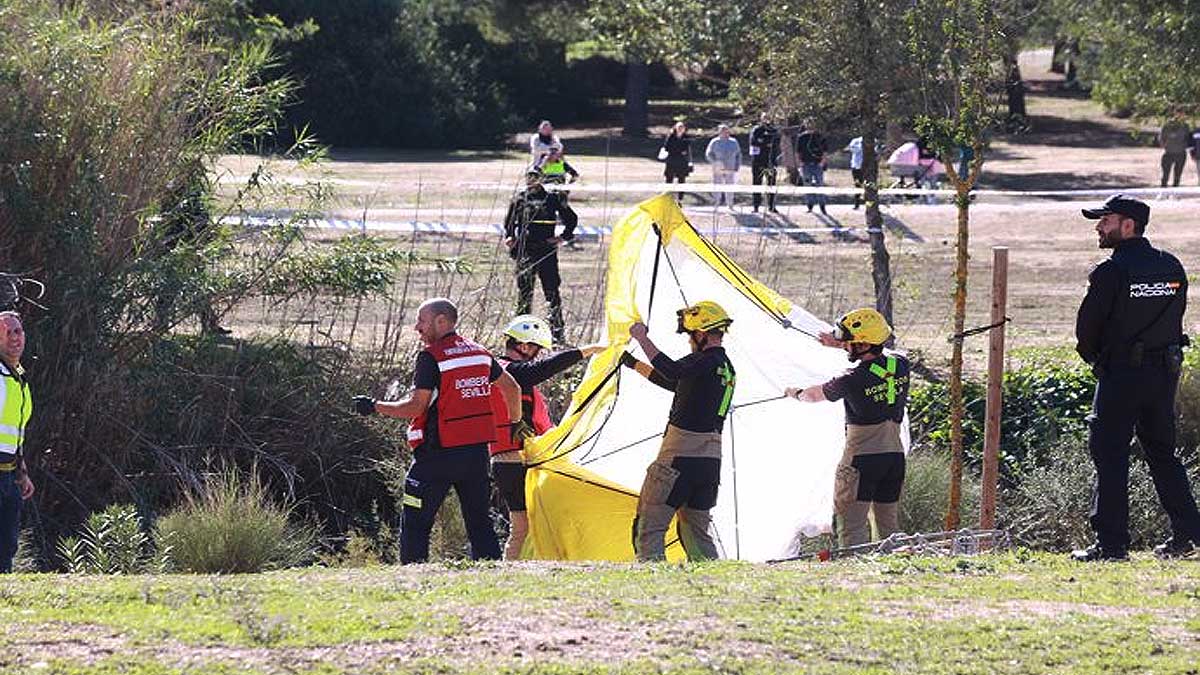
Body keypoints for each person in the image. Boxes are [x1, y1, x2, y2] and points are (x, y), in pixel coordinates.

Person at [1072, 195, 1200, 561]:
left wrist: (1099, 361)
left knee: (1110, 455)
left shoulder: (1110, 272)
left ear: (1128, 225)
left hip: (1122, 376)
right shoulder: (1171, 266)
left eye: (1106, 220)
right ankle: (1188, 535)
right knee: (1163, 454)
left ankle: (1111, 546)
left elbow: (1087, 331)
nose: (1099, 227)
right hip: (1164, 375)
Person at [353, 298, 523, 564]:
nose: (416, 327)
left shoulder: (431, 357)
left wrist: (375, 407)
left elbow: (416, 407)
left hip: (437, 455)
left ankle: (413, 576)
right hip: (476, 455)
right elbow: (512, 387)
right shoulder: (479, 353)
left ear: (441, 321)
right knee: (479, 521)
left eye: (422, 320)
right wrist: (514, 424)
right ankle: (491, 573)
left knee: (415, 520)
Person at [619, 301, 736, 561]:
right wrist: (634, 364)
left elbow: (672, 370)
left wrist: (641, 338)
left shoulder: (702, 361)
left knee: (648, 528)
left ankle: (653, 585)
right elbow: (675, 382)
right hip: (710, 464)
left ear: (701, 333)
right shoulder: (725, 367)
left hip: (678, 458)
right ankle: (714, 584)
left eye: (690, 336)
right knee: (697, 532)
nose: (689, 342)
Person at [785, 308, 909, 549]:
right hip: (894, 458)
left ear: (862, 344)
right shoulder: (901, 365)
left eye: (849, 341)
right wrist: (840, 344)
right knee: (888, 526)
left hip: (861, 461)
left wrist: (795, 393)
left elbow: (813, 396)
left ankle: (855, 574)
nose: (845, 344)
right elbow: (877, 362)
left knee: (851, 526)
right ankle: (893, 572)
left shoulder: (851, 379)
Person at [488, 315, 604, 559]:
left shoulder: (508, 374)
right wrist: (587, 350)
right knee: (525, 526)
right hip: (513, 461)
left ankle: (520, 568)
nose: (538, 355)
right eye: (537, 349)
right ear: (525, 347)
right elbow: (539, 370)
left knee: (523, 526)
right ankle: (519, 569)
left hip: (511, 461)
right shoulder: (508, 371)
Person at [504, 169, 578, 345]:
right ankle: (519, 336)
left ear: (541, 179)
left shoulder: (552, 198)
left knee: (552, 292)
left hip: (546, 251)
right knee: (524, 294)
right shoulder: (519, 199)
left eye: (535, 177)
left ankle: (557, 335)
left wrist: (563, 237)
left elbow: (571, 219)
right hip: (525, 252)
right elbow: (509, 223)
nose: (532, 180)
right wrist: (510, 238)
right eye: (529, 177)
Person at [0, 312, 35, 573]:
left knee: (7, 545)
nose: (15, 338)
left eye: (18, 331)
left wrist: (22, 473)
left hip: (10, 476)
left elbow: (17, 431)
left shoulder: (20, 376)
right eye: (7, 332)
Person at [748, 113, 781, 213]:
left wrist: (763, 142)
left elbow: (775, 143)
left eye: (769, 118)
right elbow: (754, 142)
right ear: (761, 119)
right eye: (765, 118)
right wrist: (766, 143)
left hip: (770, 162)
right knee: (757, 183)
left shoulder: (774, 131)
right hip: (758, 161)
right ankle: (756, 206)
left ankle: (771, 206)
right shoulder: (757, 130)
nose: (767, 120)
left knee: (771, 184)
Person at [705, 125, 741, 210]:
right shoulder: (714, 142)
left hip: (730, 166)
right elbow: (708, 154)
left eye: (726, 130)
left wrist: (737, 166)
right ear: (719, 132)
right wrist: (715, 162)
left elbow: (738, 155)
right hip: (718, 167)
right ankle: (716, 203)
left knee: (730, 185)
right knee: (717, 185)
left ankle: (730, 204)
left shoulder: (734, 142)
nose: (725, 132)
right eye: (723, 131)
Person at [796, 124, 828, 214]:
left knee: (820, 185)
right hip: (806, 165)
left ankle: (822, 207)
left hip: (817, 165)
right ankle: (809, 206)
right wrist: (800, 163)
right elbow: (798, 152)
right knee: (807, 185)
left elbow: (825, 151)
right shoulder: (802, 137)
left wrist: (822, 163)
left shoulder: (820, 137)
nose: (811, 126)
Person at [1158, 114, 1191, 188]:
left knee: (1177, 176)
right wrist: (1165, 146)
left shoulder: (1185, 126)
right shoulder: (1166, 126)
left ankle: (1175, 193)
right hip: (1168, 154)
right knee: (1165, 175)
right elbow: (1161, 138)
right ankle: (1163, 192)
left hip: (1181, 154)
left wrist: (1184, 146)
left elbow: (1188, 138)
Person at [845, 136, 865, 209]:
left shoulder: (872, 140)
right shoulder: (855, 140)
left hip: (866, 167)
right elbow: (851, 149)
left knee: (868, 185)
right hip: (856, 166)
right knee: (857, 185)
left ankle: (870, 205)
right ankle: (857, 204)